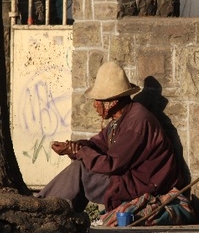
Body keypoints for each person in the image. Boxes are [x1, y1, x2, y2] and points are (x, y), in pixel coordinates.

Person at [37, 61, 184, 214]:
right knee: (81, 166)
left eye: (98, 100)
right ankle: (49, 206)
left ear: (112, 102)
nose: (95, 105)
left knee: (80, 170)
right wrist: (74, 147)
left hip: (144, 184)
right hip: (131, 179)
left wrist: (81, 153)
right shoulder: (122, 118)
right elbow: (99, 143)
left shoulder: (136, 122)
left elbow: (111, 164)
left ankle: (46, 209)